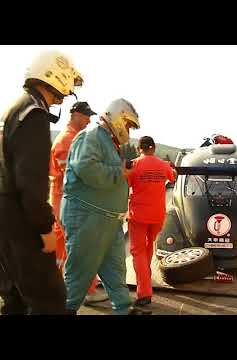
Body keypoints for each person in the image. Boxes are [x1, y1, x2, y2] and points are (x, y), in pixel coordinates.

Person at [0, 50, 83, 315]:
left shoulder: (15, 107)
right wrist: (45, 228)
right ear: (57, 75)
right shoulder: (35, 115)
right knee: (49, 297)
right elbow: (32, 182)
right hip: (18, 214)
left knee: (14, 295)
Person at [60, 98, 150, 315]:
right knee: (79, 273)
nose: (128, 130)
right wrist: (119, 172)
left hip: (107, 219)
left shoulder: (109, 142)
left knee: (114, 270)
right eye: (127, 124)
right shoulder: (91, 136)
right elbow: (86, 167)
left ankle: (123, 308)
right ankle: (64, 310)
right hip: (87, 217)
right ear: (118, 118)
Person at [49, 101, 108, 305]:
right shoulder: (68, 140)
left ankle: (60, 287)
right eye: (85, 115)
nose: (89, 120)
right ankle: (85, 291)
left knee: (66, 247)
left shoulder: (72, 138)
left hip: (64, 200)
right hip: (68, 201)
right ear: (74, 114)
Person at [127, 136, 176, 306]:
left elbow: (125, 182)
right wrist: (169, 168)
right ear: (153, 148)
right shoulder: (163, 165)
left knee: (138, 251)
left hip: (138, 216)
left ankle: (144, 292)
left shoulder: (133, 164)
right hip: (157, 216)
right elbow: (173, 177)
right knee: (148, 246)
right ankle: (145, 276)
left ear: (139, 148)